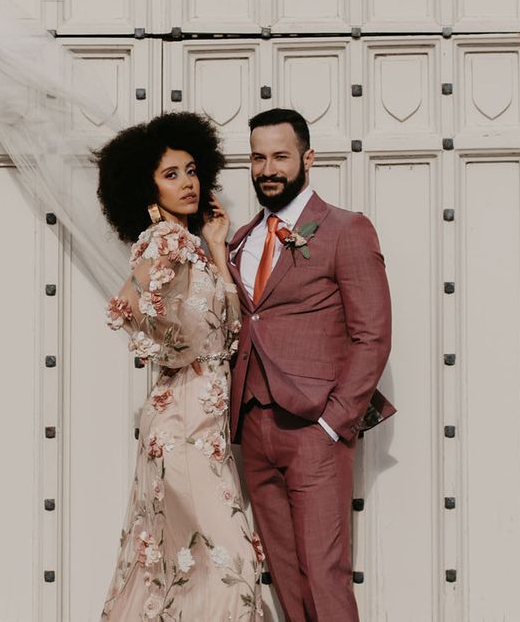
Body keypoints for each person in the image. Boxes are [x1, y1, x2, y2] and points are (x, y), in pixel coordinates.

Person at [228, 108, 395, 622]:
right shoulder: (240, 238)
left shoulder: (346, 229)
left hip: (315, 430)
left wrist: (334, 422)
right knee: (284, 574)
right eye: (258, 157)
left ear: (308, 158)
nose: (267, 168)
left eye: (280, 156)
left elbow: (373, 335)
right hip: (254, 426)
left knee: (325, 574)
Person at [96, 112, 264, 621]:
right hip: (184, 426)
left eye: (192, 170)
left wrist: (215, 245)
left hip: (203, 426)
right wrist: (179, 348)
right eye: (171, 174)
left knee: (187, 570)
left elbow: (223, 331)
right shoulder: (164, 242)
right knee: (229, 565)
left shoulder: (192, 246)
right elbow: (134, 313)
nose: (188, 182)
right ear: (147, 188)